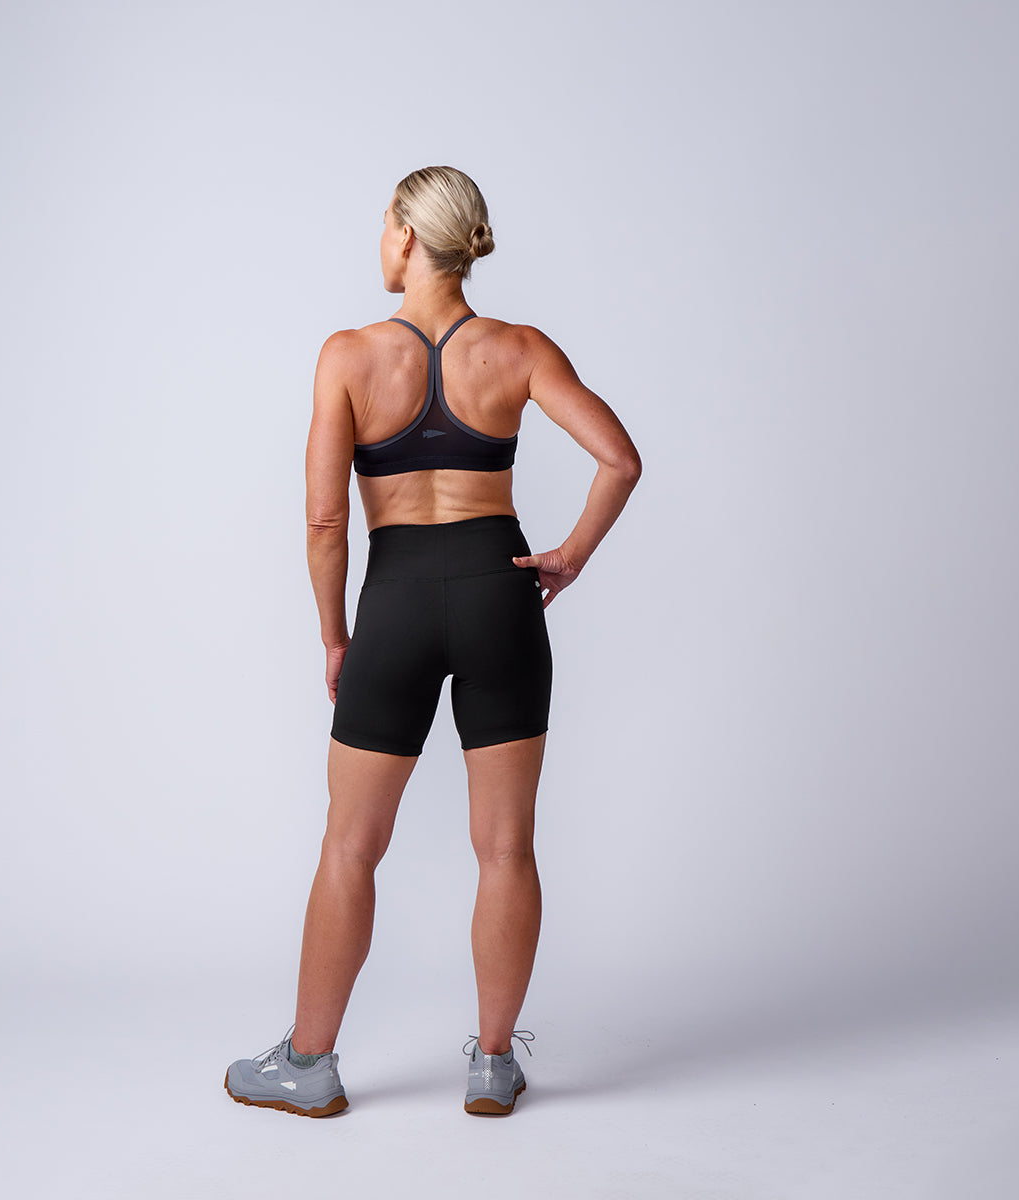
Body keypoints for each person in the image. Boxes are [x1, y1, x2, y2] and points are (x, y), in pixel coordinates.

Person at [225, 166, 642, 1118]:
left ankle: (309, 1062)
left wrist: (337, 636)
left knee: (350, 845)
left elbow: (326, 522)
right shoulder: (521, 349)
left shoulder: (346, 356)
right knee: (505, 850)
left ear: (409, 238)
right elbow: (621, 461)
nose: (379, 242)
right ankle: (494, 1064)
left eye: (383, 226)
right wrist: (567, 558)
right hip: (500, 596)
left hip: (399, 601)